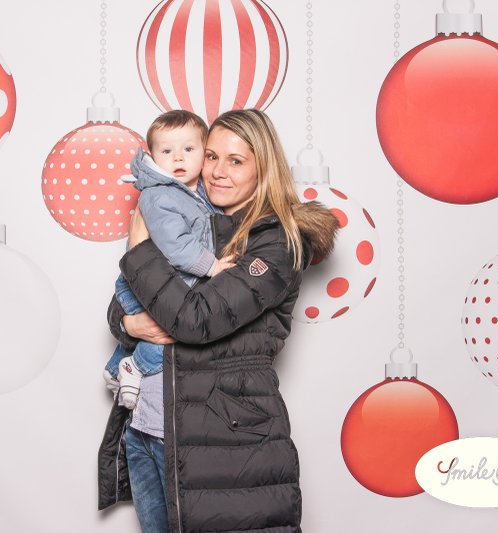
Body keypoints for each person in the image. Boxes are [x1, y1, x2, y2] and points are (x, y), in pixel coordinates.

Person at [98, 109, 339, 533]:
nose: (217, 171)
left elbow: (195, 319)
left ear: (263, 169)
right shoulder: (196, 219)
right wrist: (128, 326)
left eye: (236, 161)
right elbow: (128, 300)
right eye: (211, 156)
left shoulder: (276, 243)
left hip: (224, 443)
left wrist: (139, 248)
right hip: (149, 428)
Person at [102, 110, 237, 410]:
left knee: (165, 330)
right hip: (142, 286)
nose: (178, 158)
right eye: (166, 151)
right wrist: (213, 266)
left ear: (204, 153)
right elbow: (176, 246)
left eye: (188, 149)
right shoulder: (158, 195)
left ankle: (116, 368)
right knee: (169, 335)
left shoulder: (197, 192)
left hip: (166, 284)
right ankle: (133, 366)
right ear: (152, 156)